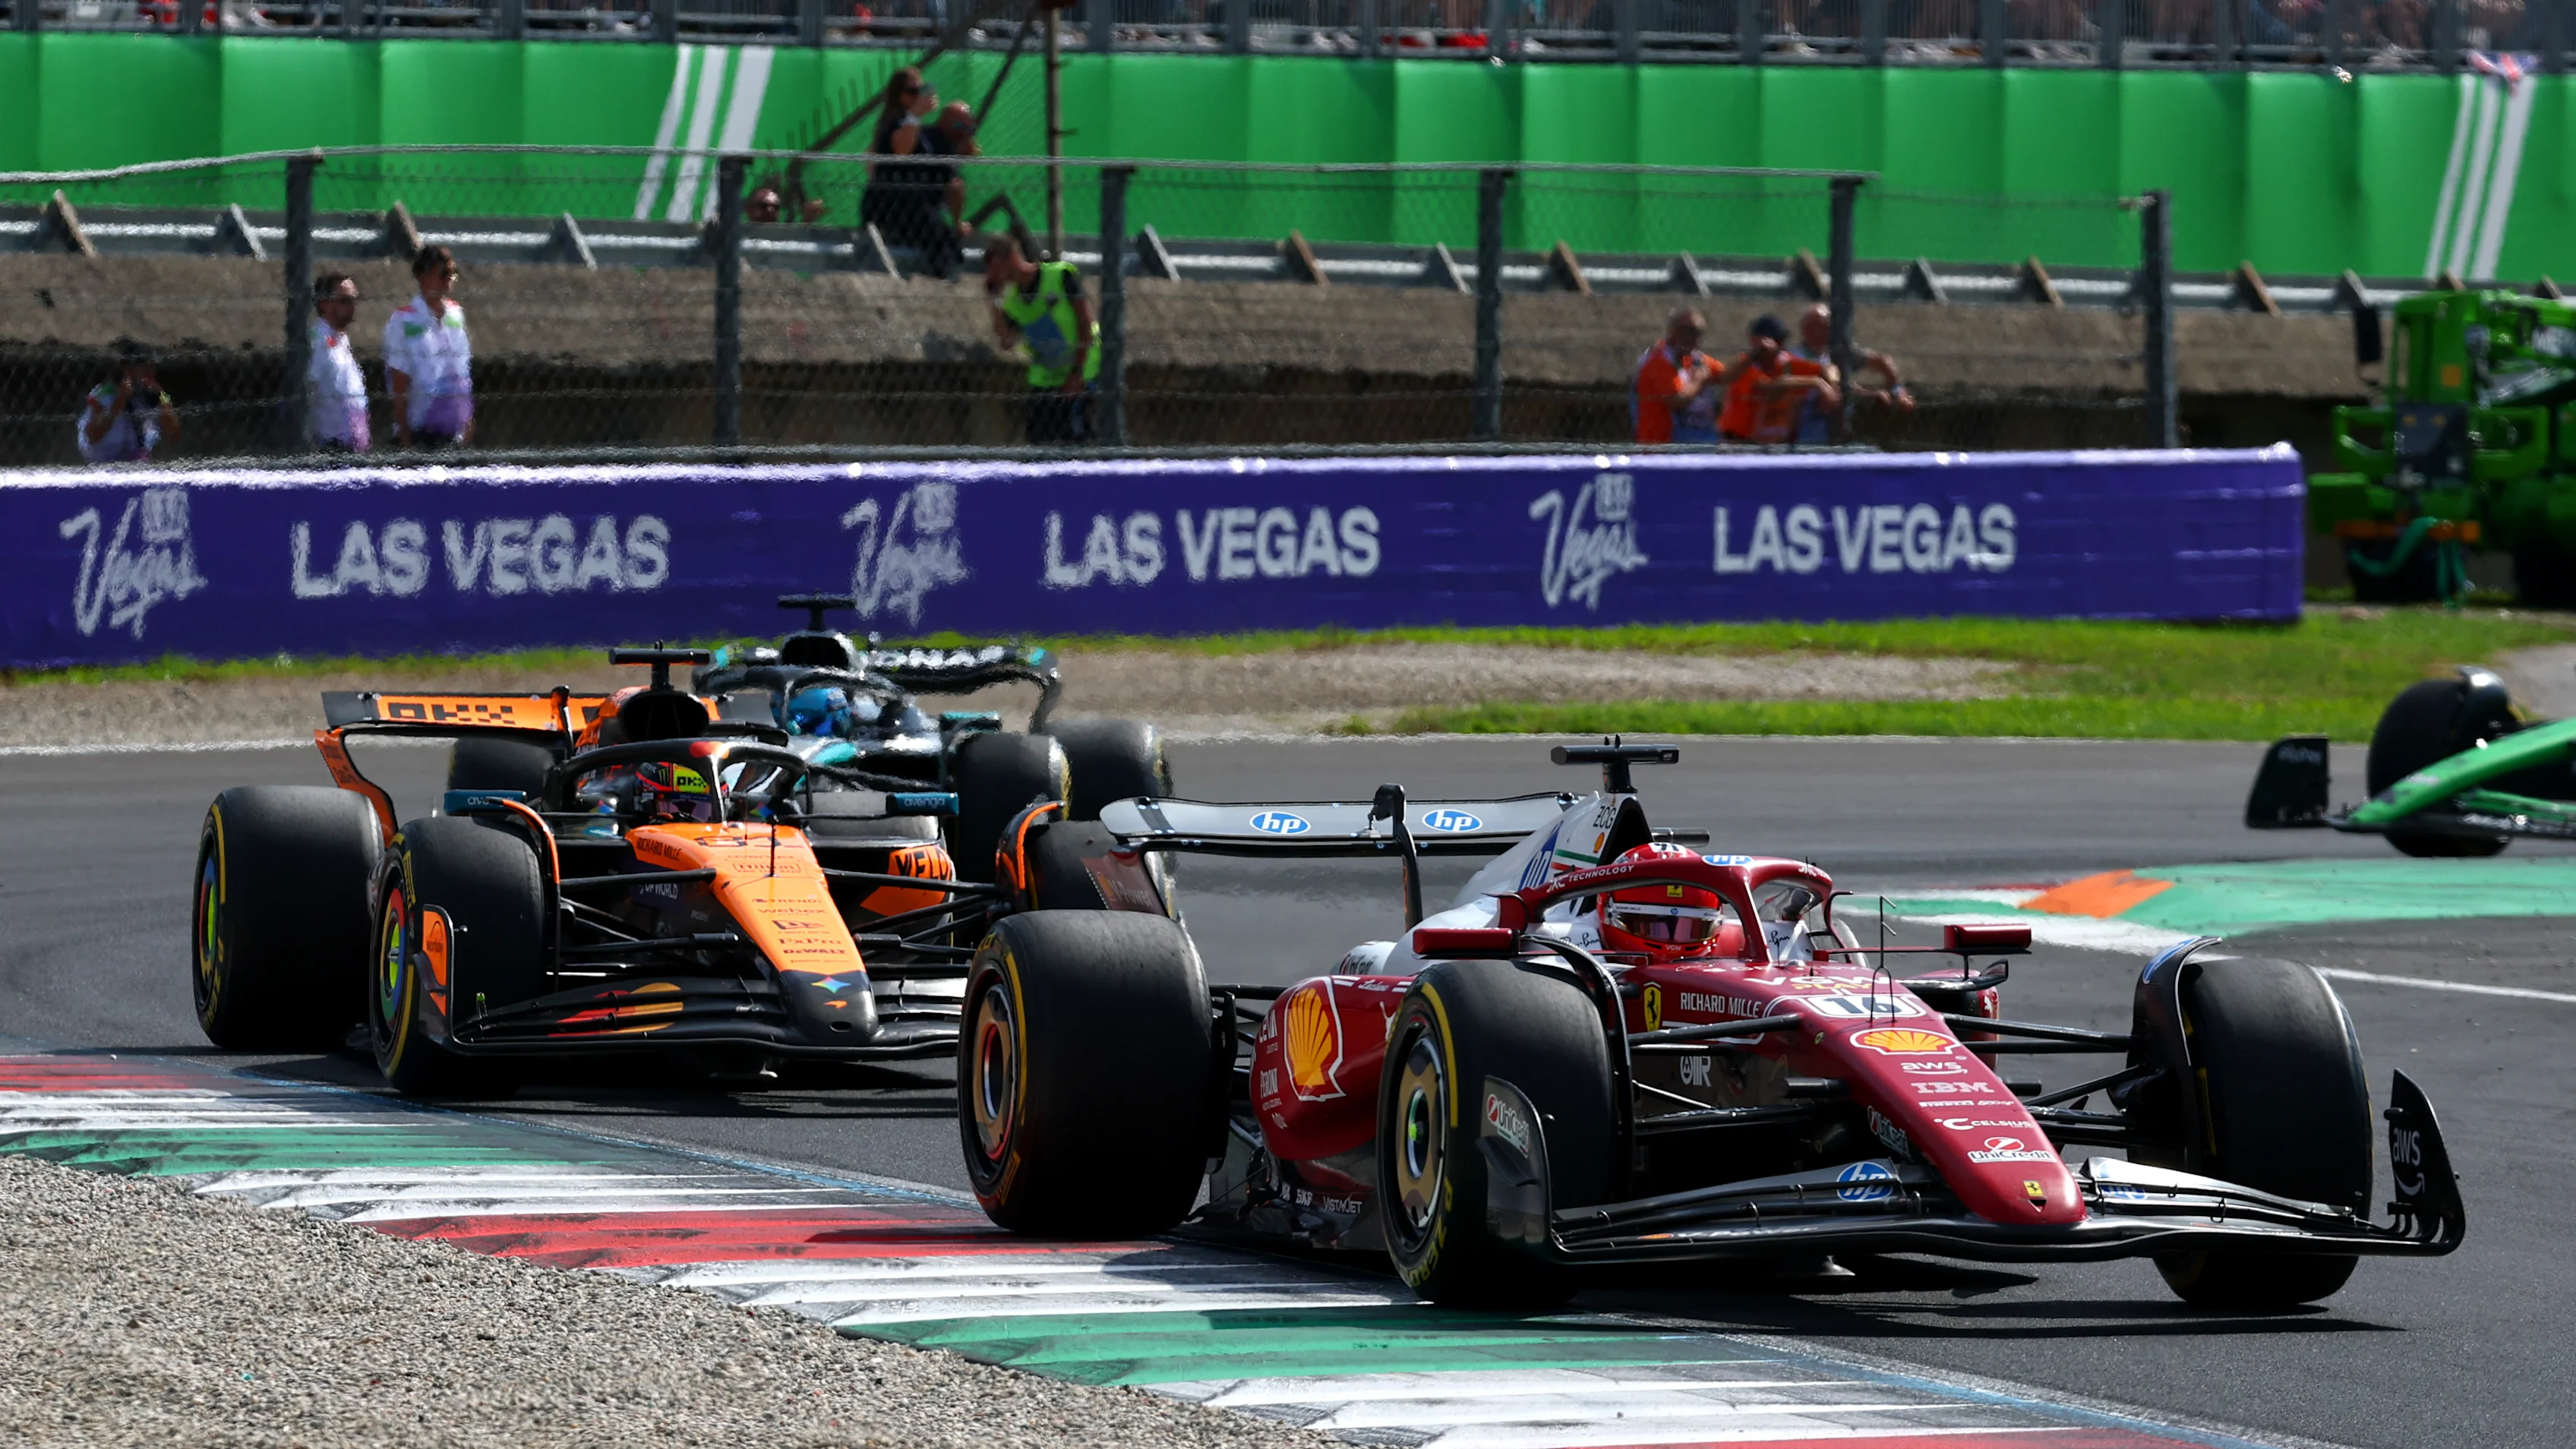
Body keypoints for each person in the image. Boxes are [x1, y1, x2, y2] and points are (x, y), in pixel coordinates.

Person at [986, 235, 1100, 446]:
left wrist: (1077, 373)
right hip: (1048, 380)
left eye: (996, 267)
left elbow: (1085, 322)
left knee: (1079, 443)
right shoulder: (1013, 303)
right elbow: (1007, 341)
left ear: (1012, 257)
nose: (994, 274)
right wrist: (993, 300)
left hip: (1083, 371)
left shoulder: (1059, 275)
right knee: (1038, 442)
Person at [858, 67, 964, 278]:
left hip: (911, 203)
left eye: (921, 90)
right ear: (901, 96)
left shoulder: (911, 124)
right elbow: (901, 152)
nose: (919, 96)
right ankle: (944, 278)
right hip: (891, 205)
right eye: (913, 91)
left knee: (944, 234)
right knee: (936, 234)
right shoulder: (896, 122)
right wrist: (915, 115)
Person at [383, 245, 472, 450]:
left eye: (453, 273)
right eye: (444, 273)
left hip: (454, 434)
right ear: (424, 276)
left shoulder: (456, 314)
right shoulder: (404, 320)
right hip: (420, 434)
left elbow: (463, 373)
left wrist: (468, 421)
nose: (450, 279)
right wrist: (406, 439)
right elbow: (399, 383)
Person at [1719, 313, 1837, 446]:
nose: (1781, 347)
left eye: (1781, 341)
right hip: (1739, 443)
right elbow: (1770, 388)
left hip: (1776, 445)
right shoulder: (1745, 366)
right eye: (1777, 341)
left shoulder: (1784, 362)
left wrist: (1832, 385)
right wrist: (1816, 383)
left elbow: (1827, 368)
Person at [1633, 307, 1723, 445]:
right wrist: (1699, 381)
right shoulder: (1657, 360)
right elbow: (1676, 400)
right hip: (1659, 448)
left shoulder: (1692, 357)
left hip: (1685, 444)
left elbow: (1725, 374)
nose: (1693, 338)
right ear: (1673, 332)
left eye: (1698, 333)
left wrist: (1752, 358)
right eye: (1687, 331)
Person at [78, 341, 179, 464]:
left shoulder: (153, 395)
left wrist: (161, 398)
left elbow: (173, 435)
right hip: (104, 465)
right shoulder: (104, 394)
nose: (150, 372)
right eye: (143, 366)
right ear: (126, 369)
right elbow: (93, 436)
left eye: (152, 367)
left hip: (137, 463)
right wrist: (120, 402)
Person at [308, 272, 370, 453]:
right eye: (345, 300)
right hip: (330, 448)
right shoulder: (317, 342)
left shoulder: (341, 341)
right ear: (324, 304)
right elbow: (305, 392)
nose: (353, 306)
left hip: (352, 448)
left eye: (354, 300)